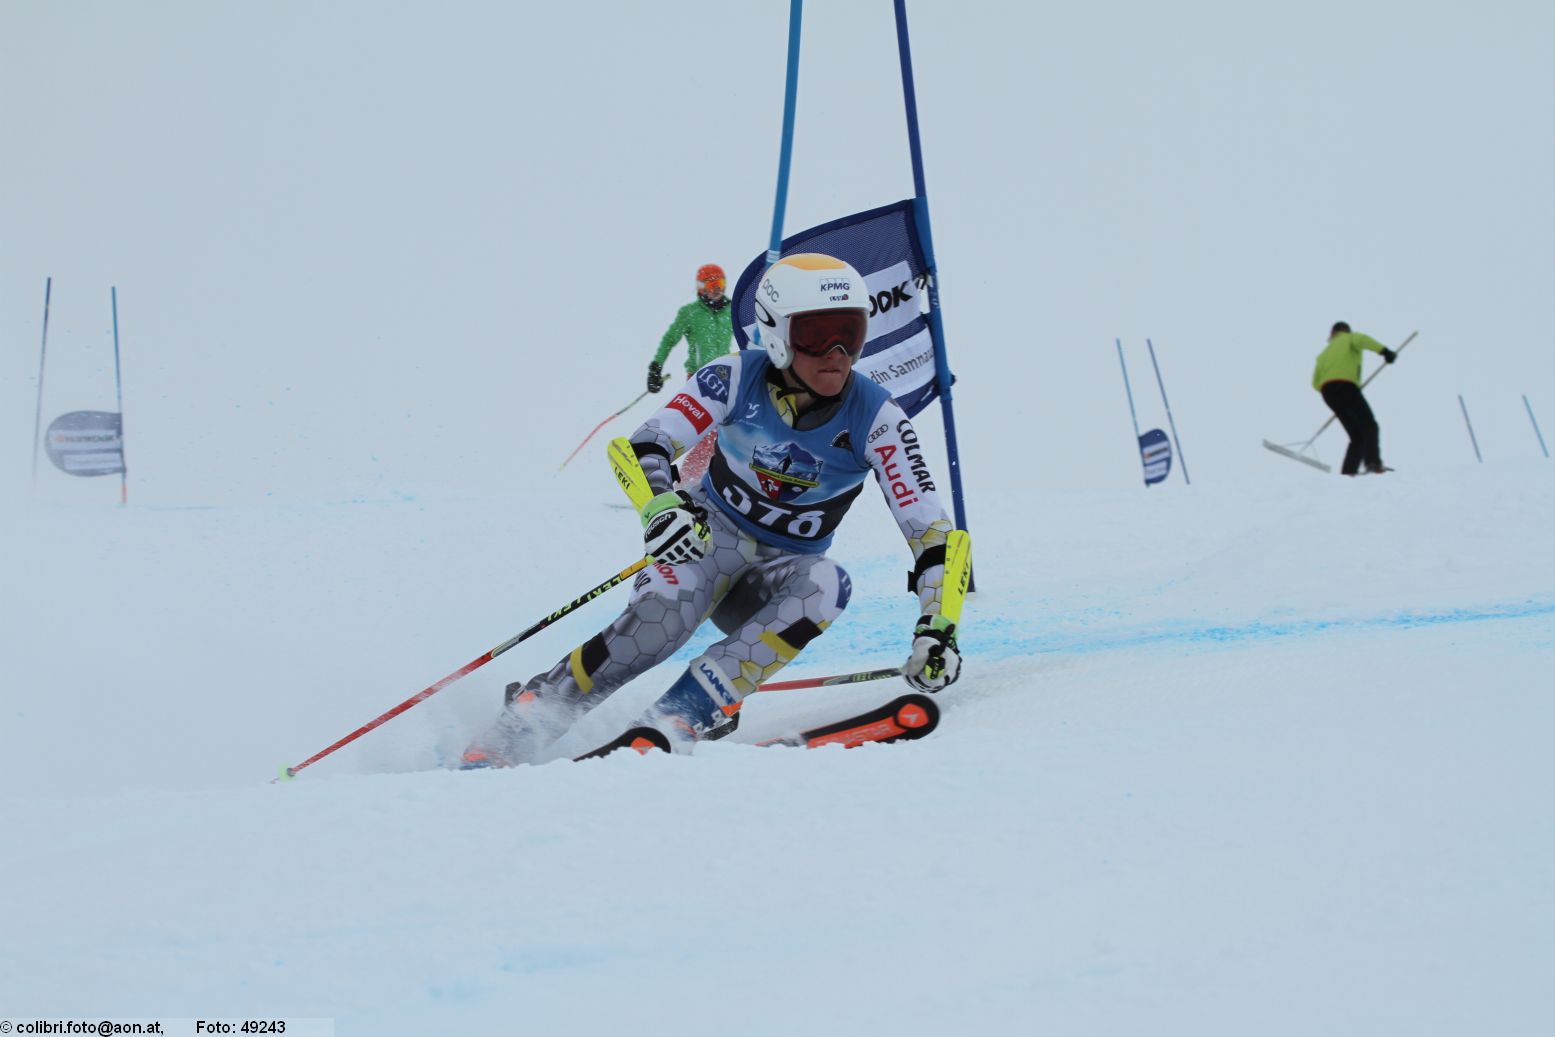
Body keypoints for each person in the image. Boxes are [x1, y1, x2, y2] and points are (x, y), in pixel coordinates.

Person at [462, 253, 960, 767]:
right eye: (817, 335)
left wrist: (938, 627)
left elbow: (934, 536)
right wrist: (661, 507)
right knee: (658, 624)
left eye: (850, 334)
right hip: (705, 543)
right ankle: (528, 718)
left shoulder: (879, 418)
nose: (837, 354)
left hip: (777, 575)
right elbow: (644, 445)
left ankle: (684, 714)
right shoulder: (734, 377)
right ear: (777, 333)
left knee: (828, 584)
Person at [648, 263, 735, 486]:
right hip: (700, 379)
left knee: (725, 435)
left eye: (720, 283)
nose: (717, 289)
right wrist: (656, 366)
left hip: (725, 379)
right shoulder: (691, 313)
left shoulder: (731, 311)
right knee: (707, 436)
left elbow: (751, 332)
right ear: (701, 288)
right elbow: (670, 339)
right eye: (712, 285)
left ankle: (706, 482)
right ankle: (685, 483)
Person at [1312, 321, 1397, 475]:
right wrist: (1384, 351)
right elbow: (1363, 340)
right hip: (1346, 387)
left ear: (1332, 334)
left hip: (1328, 392)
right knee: (1370, 426)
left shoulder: (1323, 355)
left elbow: (1315, 382)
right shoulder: (1350, 338)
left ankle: (1348, 474)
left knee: (1357, 436)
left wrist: (1331, 389)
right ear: (1346, 331)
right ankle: (1372, 463)